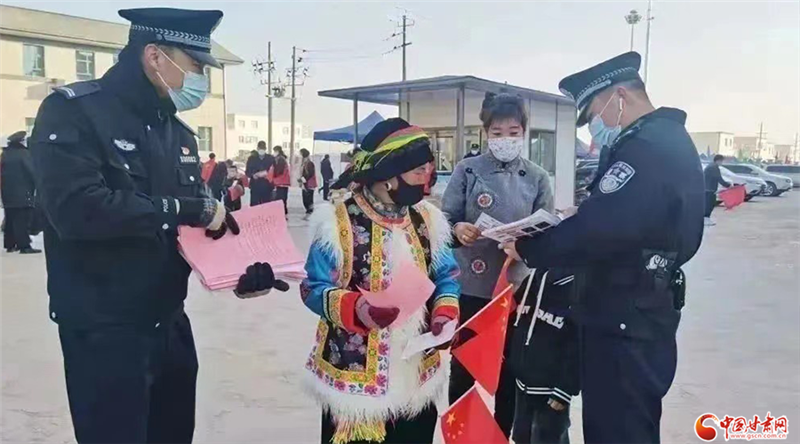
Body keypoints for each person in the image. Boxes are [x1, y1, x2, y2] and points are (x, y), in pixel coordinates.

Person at [29, 9, 242, 443]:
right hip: (105, 330)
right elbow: (76, 210)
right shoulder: (75, 112)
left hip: (169, 324)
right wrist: (181, 209)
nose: (201, 79)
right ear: (155, 56)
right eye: (196, 65)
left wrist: (241, 270)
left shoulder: (179, 133)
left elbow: (194, 227)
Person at [501, 52, 705, 444]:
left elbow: (601, 230)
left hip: (625, 318)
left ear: (620, 97)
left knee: (618, 429)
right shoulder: (661, 141)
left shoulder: (648, 147)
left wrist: (529, 247)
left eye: (595, 112)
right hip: (636, 310)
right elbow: (627, 218)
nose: (596, 127)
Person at [273, 118, 459, 444]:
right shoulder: (337, 223)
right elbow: (312, 288)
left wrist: (445, 314)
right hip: (353, 382)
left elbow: (446, 275)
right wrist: (357, 308)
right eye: (419, 171)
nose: (427, 178)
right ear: (388, 176)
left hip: (415, 375)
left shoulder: (427, 220)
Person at [441, 92, 553, 438]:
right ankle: (462, 437)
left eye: (513, 132)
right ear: (486, 132)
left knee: (509, 374)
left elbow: (550, 234)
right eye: (497, 132)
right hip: (471, 289)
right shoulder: (467, 170)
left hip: (516, 293)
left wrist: (527, 248)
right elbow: (444, 220)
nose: (506, 139)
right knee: (464, 369)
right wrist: (458, 229)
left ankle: (501, 436)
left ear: (524, 132)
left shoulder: (537, 177)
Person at [509, 268, 579, 444]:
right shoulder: (532, 280)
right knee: (521, 437)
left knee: (548, 438)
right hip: (522, 386)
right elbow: (514, 319)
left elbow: (580, 345)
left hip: (551, 393)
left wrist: (565, 390)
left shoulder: (577, 289)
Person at [1, 131, 41, 254]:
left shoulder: (5, 154)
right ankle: (24, 246)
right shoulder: (24, 154)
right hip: (23, 192)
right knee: (22, 220)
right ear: (21, 142)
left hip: (7, 193)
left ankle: (10, 244)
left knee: (10, 217)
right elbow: (32, 171)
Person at [703, 154, 731, 226]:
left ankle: (706, 218)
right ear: (718, 160)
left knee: (710, 204)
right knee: (709, 204)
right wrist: (727, 185)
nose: (722, 163)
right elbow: (719, 178)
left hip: (708, 188)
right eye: (722, 161)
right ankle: (706, 219)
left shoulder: (711, 166)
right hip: (709, 189)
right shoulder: (714, 167)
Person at [246, 140, 275, 207]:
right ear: (257, 148)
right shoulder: (251, 159)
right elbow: (247, 171)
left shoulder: (270, 158)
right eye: (260, 148)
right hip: (255, 185)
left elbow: (275, 170)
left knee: (266, 205)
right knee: (254, 205)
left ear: (265, 149)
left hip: (267, 185)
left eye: (263, 148)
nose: (261, 150)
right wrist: (253, 175)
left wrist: (267, 174)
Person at [269, 145, 291, 215]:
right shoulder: (282, 158)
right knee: (282, 199)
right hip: (283, 182)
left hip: (280, 182)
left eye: (274, 151)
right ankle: (283, 212)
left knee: (280, 199)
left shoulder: (280, 159)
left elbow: (279, 171)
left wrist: (273, 175)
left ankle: (282, 213)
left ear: (278, 151)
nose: (274, 152)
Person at [299, 148, 317, 219]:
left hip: (309, 184)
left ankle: (310, 213)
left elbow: (310, 173)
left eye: (300, 154)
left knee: (308, 200)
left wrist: (303, 179)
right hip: (305, 184)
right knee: (305, 200)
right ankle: (308, 212)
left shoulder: (309, 163)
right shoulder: (304, 163)